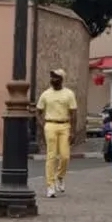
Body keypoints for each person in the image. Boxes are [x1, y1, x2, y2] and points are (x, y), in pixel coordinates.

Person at [36, 68, 78, 198]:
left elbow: (74, 113)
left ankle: (60, 176)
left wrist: (73, 131)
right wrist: (42, 125)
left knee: (65, 156)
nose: (53, 79)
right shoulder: (45, 94)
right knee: (51, 156)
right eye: (52, 77)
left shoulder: (69, 94)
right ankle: (50, 185)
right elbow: (38, 111)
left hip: (65, 125)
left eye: (56, 77)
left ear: (61, 79)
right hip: (50, 124)